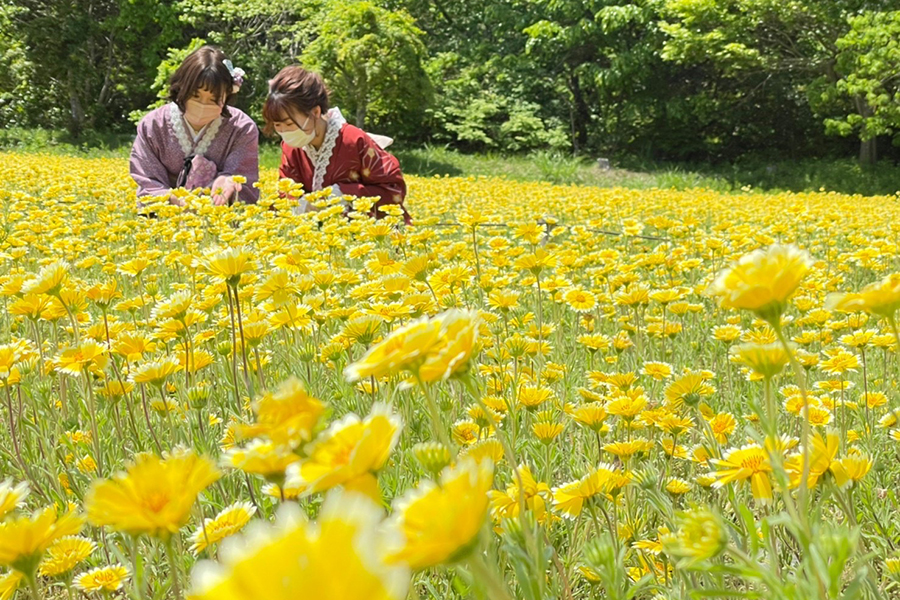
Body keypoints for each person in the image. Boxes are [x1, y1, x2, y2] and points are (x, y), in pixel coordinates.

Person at [262, 66, 410, 223]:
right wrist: (302, 205)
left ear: (316, 112)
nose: (284, 131)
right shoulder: (291, 148)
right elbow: (285, 193)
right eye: (277, 125)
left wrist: (343, 194)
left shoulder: (353, 139)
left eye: (289, 124)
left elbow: (393, 190)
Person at [130, 46, 259, 207]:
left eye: (213, 99)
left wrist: (228, 181)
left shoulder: (241, 128)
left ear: (228, 95)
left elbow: (245, 180)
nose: (203, 105)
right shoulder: (154, 125)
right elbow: (147, 179)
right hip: (164, 221)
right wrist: (172, 199)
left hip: (219, 221)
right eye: (195, 95)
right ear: (181, 88)